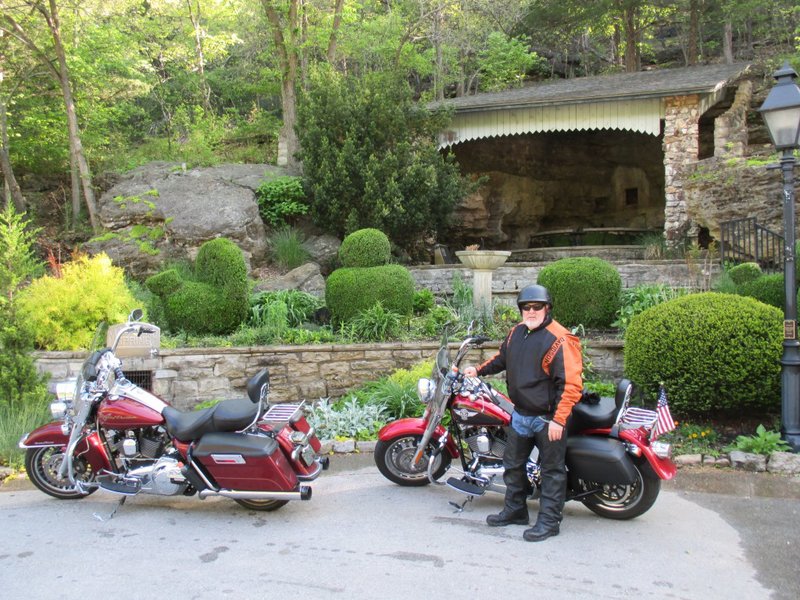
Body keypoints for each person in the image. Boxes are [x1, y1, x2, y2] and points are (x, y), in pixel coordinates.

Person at [463, 284, 583, 542]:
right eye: (526, 307)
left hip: (547, 417)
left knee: (551, 470)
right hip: (521, 414)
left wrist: (559, 420)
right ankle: (516, 510)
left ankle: (550, 522)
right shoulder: (516, 333)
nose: (531, 311)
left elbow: (571, 385)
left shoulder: (561, 339)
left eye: (536, 307)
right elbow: (501, 359)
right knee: (512, 464)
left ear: (547, 308)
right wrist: (478, 371)